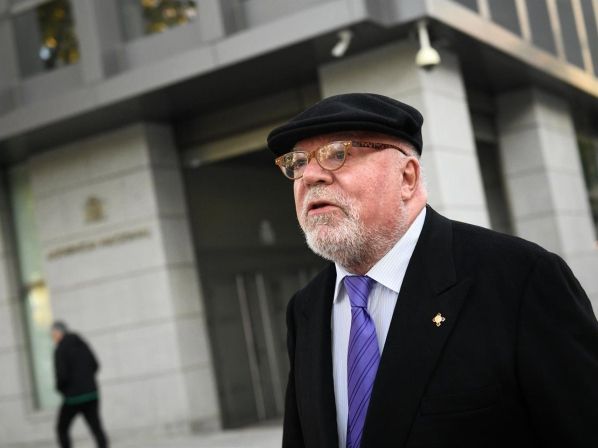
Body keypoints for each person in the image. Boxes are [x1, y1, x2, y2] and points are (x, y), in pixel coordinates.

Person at [266, 93, 598, 448]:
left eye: (337, 154)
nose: (309, 176)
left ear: (407, 177)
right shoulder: (306, 308)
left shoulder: (521, 279)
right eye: (297, 163)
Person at [51, 321, 108, 448]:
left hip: (73, 398)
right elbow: (95, 365)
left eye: (53, 334)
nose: (52, 337)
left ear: (59, 333)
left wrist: (61, 389)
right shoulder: (82, 344)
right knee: (96, 427)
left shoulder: (60, 350)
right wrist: (87, 380)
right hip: (91, 394)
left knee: (62, 428)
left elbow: (62, 376)